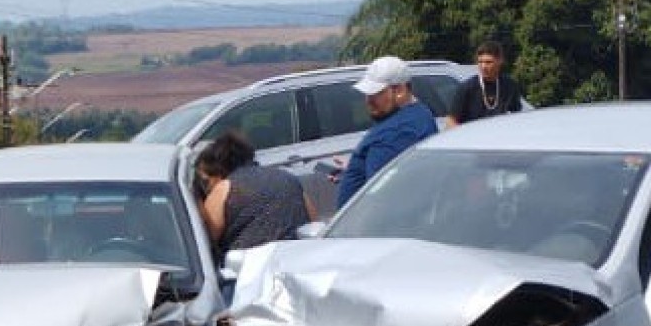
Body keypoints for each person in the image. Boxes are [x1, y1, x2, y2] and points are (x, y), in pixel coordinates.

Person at [333, 55, 439, 209]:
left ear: (400, 90)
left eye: (375, 94)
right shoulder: (417, 114)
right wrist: (355, 170)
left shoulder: (396, 132)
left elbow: (380, 198)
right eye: (367, 94)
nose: (368, 101)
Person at [194, 130, 312, 262]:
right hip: (296, 259)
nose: (205, 188)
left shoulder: (225, 188)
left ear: (219, 171)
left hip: (250, 268)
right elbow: (311, 217)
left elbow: (206, 240)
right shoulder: (288, 178)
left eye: (205, 181)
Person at [448, 39, 524, 127]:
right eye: (480, 62)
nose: (483, 66)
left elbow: (517, 116)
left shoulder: (509, 86)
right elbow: (451, 120)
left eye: (488, 62)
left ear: (500, 61)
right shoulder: (467, 88)